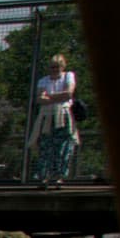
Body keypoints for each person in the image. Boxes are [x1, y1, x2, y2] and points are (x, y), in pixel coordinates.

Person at [34, 53, 79, 187]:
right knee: (45, 147)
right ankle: (44, 177)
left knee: (63, 147)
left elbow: (69, 93)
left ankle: (59, 177)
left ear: (62, 67)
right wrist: (58, 97)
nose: (54, 70)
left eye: (57, 67)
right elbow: (39, 99)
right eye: (52, 67)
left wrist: (49, 97)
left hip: (63, 115)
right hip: (47, 116)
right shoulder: (43, 80)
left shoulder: (68, 76)